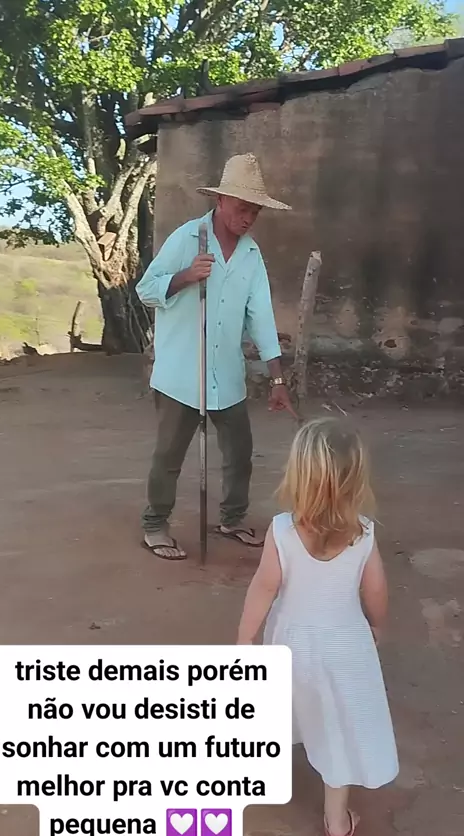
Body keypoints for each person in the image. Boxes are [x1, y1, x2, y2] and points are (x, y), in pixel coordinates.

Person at [236, 417, 399, 836]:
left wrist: (245, 639)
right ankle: (337, 824)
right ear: (356, 479)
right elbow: (376, 591)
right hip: (346, 647)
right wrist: (378, 624)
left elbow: (264, 587)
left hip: (292, 644)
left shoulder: (282, 531)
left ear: (298, 473)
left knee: (288, 706)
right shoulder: (364, 533)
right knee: (336, 730)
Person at [136, 153, 296, 561]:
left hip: (226, 375)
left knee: (239, 453)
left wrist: (277, 379)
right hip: (180, 374)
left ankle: (232, 519)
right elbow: (146, 289)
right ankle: (155, 525)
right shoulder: (187, 238)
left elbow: (261, 316)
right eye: (242, 208)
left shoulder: (251, 254)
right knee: (169, 457)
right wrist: (186, 276)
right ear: (221, 201)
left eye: (255, 211)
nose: (248, 218)